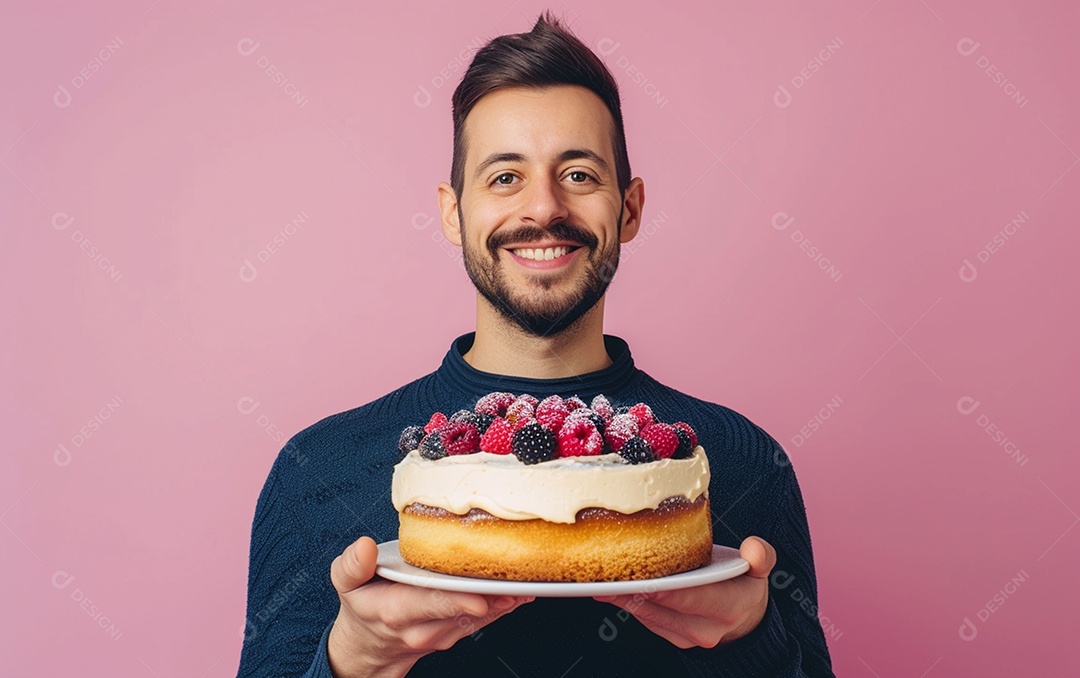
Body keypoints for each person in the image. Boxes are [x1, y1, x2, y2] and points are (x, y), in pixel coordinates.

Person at [238, 12, 834, 677]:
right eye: (504, 177)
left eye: (578, 175)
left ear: (629, 209)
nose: (543, 208)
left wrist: (756, 639)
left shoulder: (746, 463)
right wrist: (351, 660)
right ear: (453, 212)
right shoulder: (317, 468)